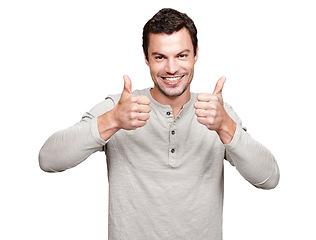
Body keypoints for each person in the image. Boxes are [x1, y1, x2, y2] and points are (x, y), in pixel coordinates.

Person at [39, 8, 280, 240]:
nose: (172, 68)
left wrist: (225, 126)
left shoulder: (217, 112)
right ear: (146, 58)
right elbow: (48, 160)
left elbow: (269, 178)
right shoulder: (120, 107)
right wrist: (112, 120)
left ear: (196, 53)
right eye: (160, 57)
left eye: (181, 55)